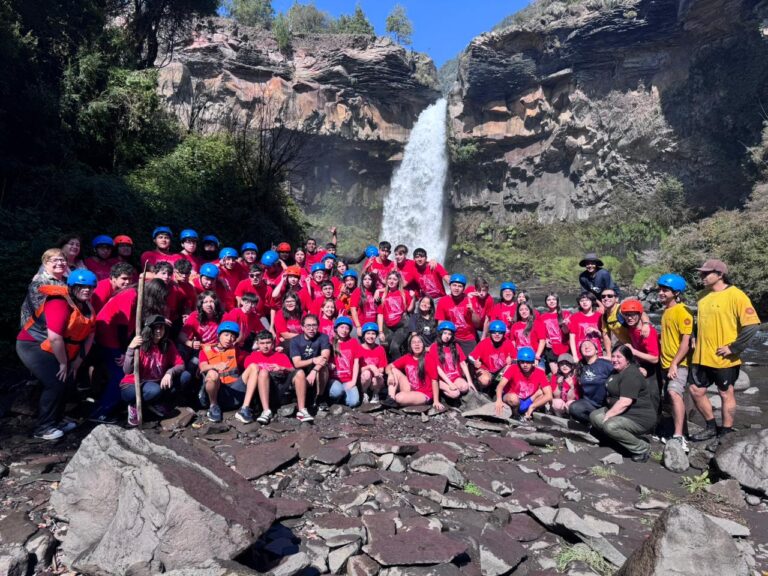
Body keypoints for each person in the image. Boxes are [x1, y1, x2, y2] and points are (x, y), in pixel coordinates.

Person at [17, 269, 97, 440]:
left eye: (90, 287)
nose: (87, 290)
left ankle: (57, 420)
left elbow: (90, 335)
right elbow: (54, 337)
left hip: (58, 348)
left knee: (68, 381)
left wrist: (77, 362)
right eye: (82, 287)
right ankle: (43, 428)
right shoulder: (59, 302)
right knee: (55, 383)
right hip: (33, 345)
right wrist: (63, 363)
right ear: (72, 287)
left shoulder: (86, 305)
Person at [688, 259, 761, 441]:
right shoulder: (702, 295)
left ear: (720, 274)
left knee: (725, 393)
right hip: (701, 355)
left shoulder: (736, 295)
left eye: (706, 273)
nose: (702, 276)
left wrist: (734, 348)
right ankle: (711, 427)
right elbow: (699, 321)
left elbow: (752, 325)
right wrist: (694, 336)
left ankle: (726, 432)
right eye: (702, 273)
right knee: (696, 390)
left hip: (724, 358)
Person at [589, 345, 660, 462]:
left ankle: (642, 448)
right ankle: (616, 440)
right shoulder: (616, 371)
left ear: (627, 359)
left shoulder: (631, 374)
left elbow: (625, 402)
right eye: (613, 356)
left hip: (638, 417)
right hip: (623, 412)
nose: (614, 359)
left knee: (610, 425)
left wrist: (608, 415)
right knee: (595, 416)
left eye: (619, 357)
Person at [121, 315, 191, 425]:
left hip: (156, 382)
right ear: (149, 329)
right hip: (133, 385)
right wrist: (130, 349)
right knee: (154, 390)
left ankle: (155, 402)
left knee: (185, 376)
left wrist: (169, 373)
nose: (158, 331)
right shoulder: (140, 345)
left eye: (161, 328)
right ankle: (134, 405)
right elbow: (127, 370)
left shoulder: (167, 344)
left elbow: (181, 364)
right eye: (155, 328)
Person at [656, 274, 693, 450]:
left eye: (665, 290)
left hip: (679, 364)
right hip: (665, 363)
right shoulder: (666, 311)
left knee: (674, 393)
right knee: (668, 398)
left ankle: (679, 437)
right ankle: (674, 431)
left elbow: (686, 343)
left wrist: (674, 363)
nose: (661, 293)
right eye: (660, 289)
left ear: (676, 293)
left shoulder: (683, 311)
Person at [199, 321, 259, 423]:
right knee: (212, 374)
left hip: (234, 392)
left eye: (232, 336)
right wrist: (215, 366)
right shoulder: (205, 351)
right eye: (226, 335)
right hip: (217, 392)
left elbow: (250, 358)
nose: (229, 339)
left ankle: (245, 408)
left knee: (254, 367)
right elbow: (203, 367)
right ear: (219, 335)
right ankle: (213, 406)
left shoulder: (236, 350)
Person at [244, 330, 298, 424]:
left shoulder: (281, 356)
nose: (265, 346)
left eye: (268, 343)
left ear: (273, 344)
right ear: (257, 344)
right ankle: (264, 410)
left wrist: (282, 368)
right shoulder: (251, 357)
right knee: (263, 373)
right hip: (258, 393)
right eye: (262, 343)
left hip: (277, 391)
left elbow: (293, 371)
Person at [289, 314, 332, 422]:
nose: (311, 328)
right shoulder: (295, 341)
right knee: (300, 373)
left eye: (314, 325)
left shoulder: (323, 337)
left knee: (323, 367)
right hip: (300, 374)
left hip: (315, 373)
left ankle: (320, 398)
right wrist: (313, 360)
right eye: (308, 326)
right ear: (302, 327)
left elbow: (324, 358)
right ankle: (301, 409)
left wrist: (314, 370)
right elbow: (297, 363)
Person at [384, 334, 440, 409]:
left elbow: (434, 380)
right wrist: (390, 374)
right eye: (414, 342)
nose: (417, 344)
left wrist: (436, 401)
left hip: (424, 393)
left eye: (419, 342)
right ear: (410, 346)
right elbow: (388, 366)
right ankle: (390, 399)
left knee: (399, 397)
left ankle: (399, 399)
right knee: (393, 370)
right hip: (410, 388)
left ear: (423, 345)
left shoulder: (428, 358)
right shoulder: (407, 357)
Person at [495, 346, 551, 421]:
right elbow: (500, 386)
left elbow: (549, 395)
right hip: (512, 398)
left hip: (529, 400)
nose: (525, 365)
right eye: (522, 362)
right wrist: (499, 400)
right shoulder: (513, 368)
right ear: (519, 362)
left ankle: (529, 411)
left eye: (528, 362)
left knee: (542, 393)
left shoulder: (540, 373)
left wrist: (533, 406)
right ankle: (515, 415)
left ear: (532, 362)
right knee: (513, 398)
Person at [427, 321, 474, 402]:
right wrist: (450, 383)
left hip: (455, 376)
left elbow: (463, 363)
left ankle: (451, 389)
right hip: (441, 379)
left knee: (465, 387)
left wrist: (469, 381)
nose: (447, 336)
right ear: (440, 333)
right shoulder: (434, 347)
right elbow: (437, 368)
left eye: (450, 334)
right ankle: (442, 392)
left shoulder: (456, 346)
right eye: (445, 333)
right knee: (455, 394)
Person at [569, 340, 613, 424]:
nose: (586, 347)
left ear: (596, 350)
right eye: (583, 346)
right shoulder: (581, 367)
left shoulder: (606, 364)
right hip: (589, 404)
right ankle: (593, 424)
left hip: (605, 404)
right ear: (581, 352)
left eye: (589, 345)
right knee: (574, 408)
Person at [21, 249, 67, 328]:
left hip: (60, 325)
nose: (60, 263)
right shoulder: (39, 282)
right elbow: (39, 309)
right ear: (45, 264)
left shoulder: (68, 281)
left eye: (62, 260)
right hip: (37, 329)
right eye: (55, 260)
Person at [435, 274, 478, 356]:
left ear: (463, 288)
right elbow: (440, 323)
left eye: (460, 286)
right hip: (451, 337)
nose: (456, 288)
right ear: (450, 286)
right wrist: (441, 340)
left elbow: (477, 324)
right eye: (454, 285)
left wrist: (473, 312)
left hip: (468, 338)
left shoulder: (470, 300)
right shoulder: (443, 301)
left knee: (471, 361)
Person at [469, 320, 517, 393]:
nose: (497, 334)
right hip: (486, 370)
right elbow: (470, 357)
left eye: (500, 332)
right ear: (490, 333)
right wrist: (474, 362)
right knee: (484, 380)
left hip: (500, 371)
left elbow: (517, 359)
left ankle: (498, 388)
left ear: (503, 334)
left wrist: (512, 361)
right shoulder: (484, 343)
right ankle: (483, 389)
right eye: (494, 332)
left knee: (511, 367)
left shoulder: (508, 343)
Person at [377, 271, 414, 359]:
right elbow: (380, 314)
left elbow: (411, 311)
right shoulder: (383, 295)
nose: (391, 281)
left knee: (394, 347)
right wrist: (381, 332)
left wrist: (413, 298)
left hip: (402, 326)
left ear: (398, 281)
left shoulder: (404, 293)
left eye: (394, 279)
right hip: (389, 328)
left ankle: (399, 367)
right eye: (389, 279)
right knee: (386, 347)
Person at [620, 299, 660, 380]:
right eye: (626, 315)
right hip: (639, 362)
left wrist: (633, 352)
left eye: (633, 315)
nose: (629, 318)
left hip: (652, 366)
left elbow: (655, 359)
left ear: (639, 315)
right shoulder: (631, 326)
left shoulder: (648, 333)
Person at [328, 317, 361, 407]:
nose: (344, 330)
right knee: (337, 391)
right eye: (342, 327)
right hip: (334, 379)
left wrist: (353, 381)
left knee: (353, 402)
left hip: (348, 379)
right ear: (336, 328)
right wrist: (328, 364)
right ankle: (334, 397)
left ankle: (342, 397)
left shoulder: (353, 342)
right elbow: (323, 359)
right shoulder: (330, 342)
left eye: (347, 328)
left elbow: (356, 363)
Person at [534, 293, 571, 374]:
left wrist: (564, 324)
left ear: (557, 301)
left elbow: (567, 332)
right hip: (551, 349)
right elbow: (541, 333)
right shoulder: (542, 317)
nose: (551, 301)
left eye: (554, 299)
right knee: (556, 374)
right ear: (546, 302)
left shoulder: (565, 314)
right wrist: (546, 339)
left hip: (565, 347)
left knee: (566, 373)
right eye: (549, 300)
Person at [569, 292, 603, 360]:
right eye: (582, 301)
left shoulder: (599, 316)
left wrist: (596, 331)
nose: (584, 302)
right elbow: (572, 337)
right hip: (580, 353)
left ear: (592, 301)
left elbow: (603, 336)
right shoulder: (575, 317)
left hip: (596, 352)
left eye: (587, 300)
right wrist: (575, 355)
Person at [358, 322, 387, 403]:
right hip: (363, 377)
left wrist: (376, 373)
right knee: (366, 374)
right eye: (368, 333)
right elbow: (357, 369)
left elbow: (381, 368)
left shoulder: (380, 349)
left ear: (376, 335)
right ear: (364, 335)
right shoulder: (359, 348)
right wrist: (370, 367)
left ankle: (375, 394)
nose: (370, 336)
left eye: (373, 334)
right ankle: (364, 393)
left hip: (375, 376)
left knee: (379, 377)